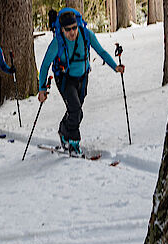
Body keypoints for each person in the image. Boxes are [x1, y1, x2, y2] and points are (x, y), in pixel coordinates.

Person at [37, 8, 124, 153]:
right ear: (62, 30)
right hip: (65, 78)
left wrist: (115, 67)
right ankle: (73, 143)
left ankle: (63, 131)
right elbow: (45, 65)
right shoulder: (57, 42)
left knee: (77, 112)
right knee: (75, 109)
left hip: (83, 77)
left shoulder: (86, 35)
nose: (72, 32)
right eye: (68, 29)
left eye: (74, 28)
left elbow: (101, 52)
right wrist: (42, 89)